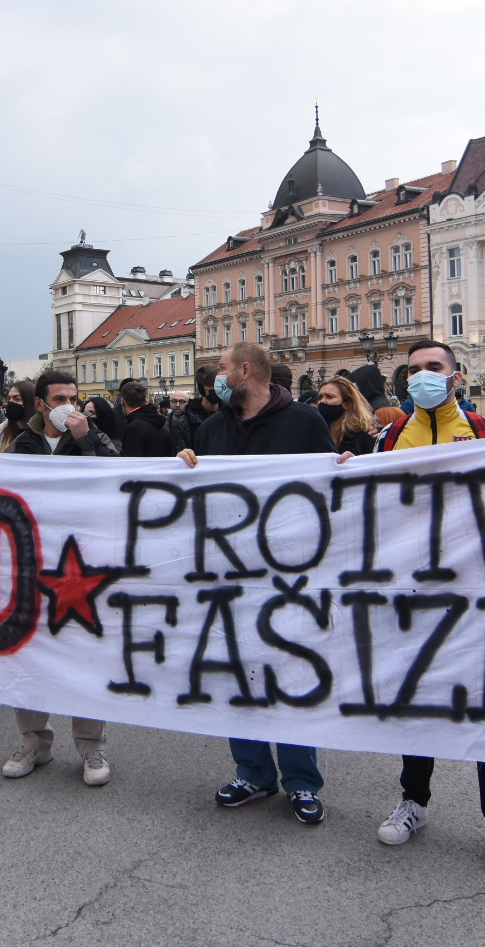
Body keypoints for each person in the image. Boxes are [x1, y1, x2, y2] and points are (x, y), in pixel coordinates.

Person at [365, 340, 485, 878]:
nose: (422, 377)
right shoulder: (388, 437)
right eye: (413, 371)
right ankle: (414, 803)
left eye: (433, 368)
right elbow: (367, 506)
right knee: (417, 703)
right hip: (411, 598)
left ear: (456, 377)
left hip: (479, 597)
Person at [177, 341, 334, 826]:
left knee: (288, 674)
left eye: (222, 368)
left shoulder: (305, 423)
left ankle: (302, 782)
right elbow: (198, 501)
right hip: (227, 573)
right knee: (236, 674)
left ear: (245, 371)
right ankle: (252, 771)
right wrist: (182, 468)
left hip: (287, 573)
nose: (215, 376)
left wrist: (346, 467)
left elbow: (329, 490)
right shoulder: (212, 428)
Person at [0, 368, 117, 785]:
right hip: (32, 561)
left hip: (81, 561)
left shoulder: (93, 437)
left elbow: (116, 478)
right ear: (40, 404)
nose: (70, 404)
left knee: (83, 650)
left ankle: (91, 746)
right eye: (61, 397)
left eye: (74, 396)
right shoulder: (21, 444)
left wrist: (86, 439)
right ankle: (33, 742)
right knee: (28, 651)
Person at [316, 374, 378, 456]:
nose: (322, 401)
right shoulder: (316, 433)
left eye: (329, 397)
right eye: (320, 397)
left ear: (346, 403)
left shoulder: (364, 435)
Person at [118, 379, 173, 457]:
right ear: (145, 401)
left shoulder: (134, 428)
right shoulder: (160, 424)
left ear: (122, 402)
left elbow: (130, 461)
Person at [0, 380, 34, 453]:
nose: (11, 403)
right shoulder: (0, 433)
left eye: (17, 399)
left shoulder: (43, 435)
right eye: (9, 399)